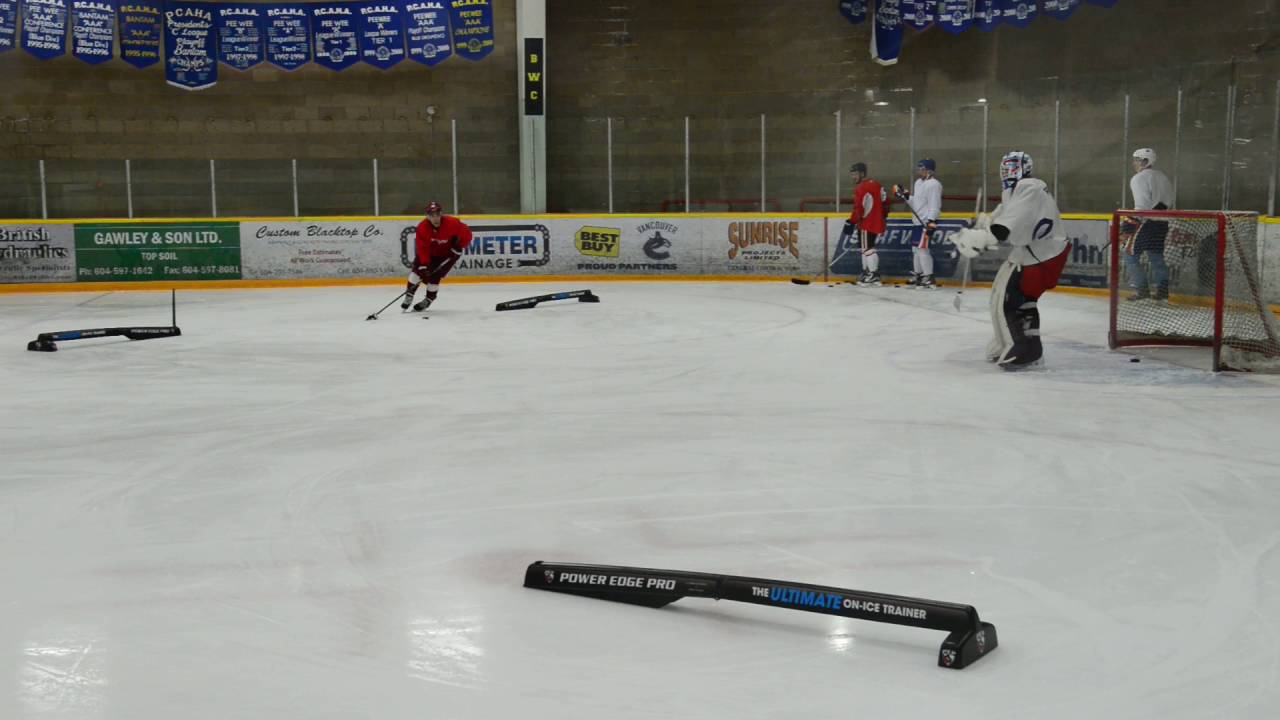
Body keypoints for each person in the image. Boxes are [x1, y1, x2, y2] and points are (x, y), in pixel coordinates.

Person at [950, 151, 1070, 370]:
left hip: (1042, 255)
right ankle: (1016, 343)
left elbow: (1007, 225)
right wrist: (983, 226)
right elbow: (1002, 216)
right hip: (1032, 253)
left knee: (1008, 299)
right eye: (1004, 167)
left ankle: (1021, 348)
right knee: (1013, 298)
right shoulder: (1016, 191)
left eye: (1011, 167)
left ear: (1023, 168)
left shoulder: (1028, 188)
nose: (1006, 172)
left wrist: (982, 237)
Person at [1123, 147, 1175, 301]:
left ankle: (1142, 290)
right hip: (1162, 224)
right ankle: (1163, 291)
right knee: (1156, 256)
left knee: (1130, 255)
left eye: (1137, 160)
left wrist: (1131, 223)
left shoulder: (1138, 178)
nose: (1134, 163)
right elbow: (1168, 202)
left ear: (1145, 161)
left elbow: (1142, 206)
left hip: (1145, 223)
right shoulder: (1163, 176)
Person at [402, 201, 474, 311]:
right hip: (429, 254)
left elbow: (467, 234)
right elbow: (422, 248)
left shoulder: (453, 223)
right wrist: (424, 264)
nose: (435, 218)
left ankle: (429, 299)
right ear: (427, 216)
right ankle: (409, 295)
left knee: (434, 278)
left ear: (441, 214)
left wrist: (459, 246)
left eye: (437, 215)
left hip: (446, 255)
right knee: (416, 273)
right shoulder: (422, 228)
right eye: (431, 215)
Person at [892, 159, 943, 289]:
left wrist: (931, 222)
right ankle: (919, 275)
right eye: (919, 168)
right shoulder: (919, 183)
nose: (919, 171)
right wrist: (906, 196)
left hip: (925, 222)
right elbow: (917, 202)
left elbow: (935, 205)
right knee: (916, 250)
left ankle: (929, 277)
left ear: (930, 170)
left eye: (922, 168)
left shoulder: (933, 185)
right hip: (917, 221)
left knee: (922, 249)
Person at [844, 162, 889, 285]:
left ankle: (873, 274)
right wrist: (882, 217)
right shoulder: (877, 185)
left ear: (862, 174)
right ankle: (867, 272)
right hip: (877, 222)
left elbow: (859, 208)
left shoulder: (861, 188)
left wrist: (852, 221)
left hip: (866, 223)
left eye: (855, 174)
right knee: (866, 248)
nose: (853, 177)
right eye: (851, 174)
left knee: (868, 249)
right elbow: (886, 202)